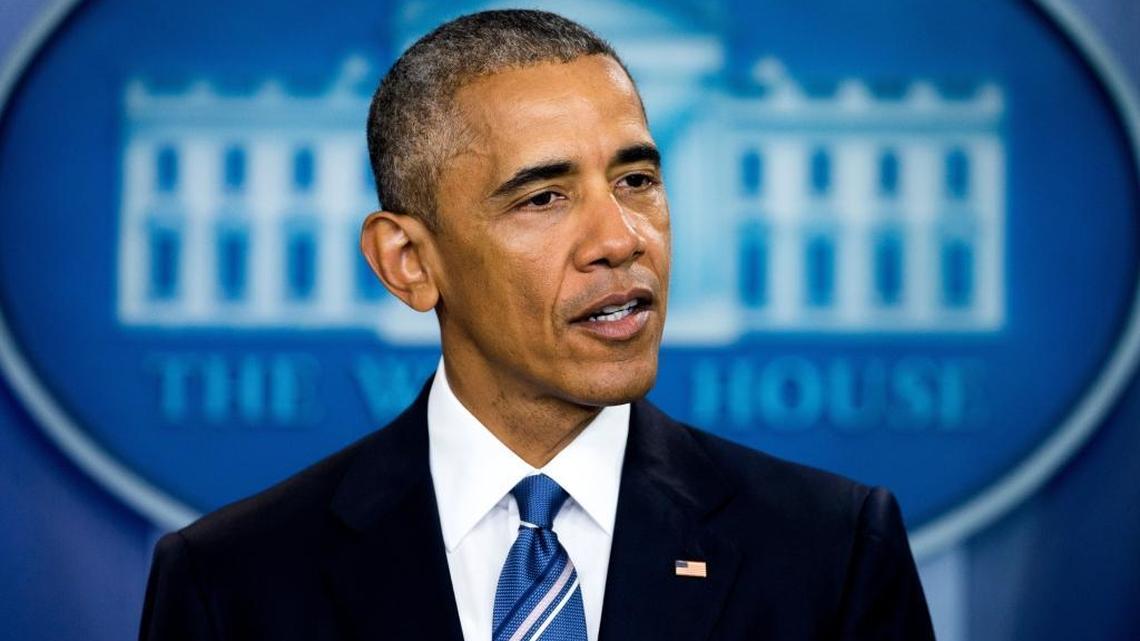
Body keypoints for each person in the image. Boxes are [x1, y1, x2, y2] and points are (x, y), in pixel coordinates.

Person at [139, 10, 935, 641]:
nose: (622, 237)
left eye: (637, 177)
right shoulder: (232, 581)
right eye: (543, 197)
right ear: (408, 262)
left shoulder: (832, 553)